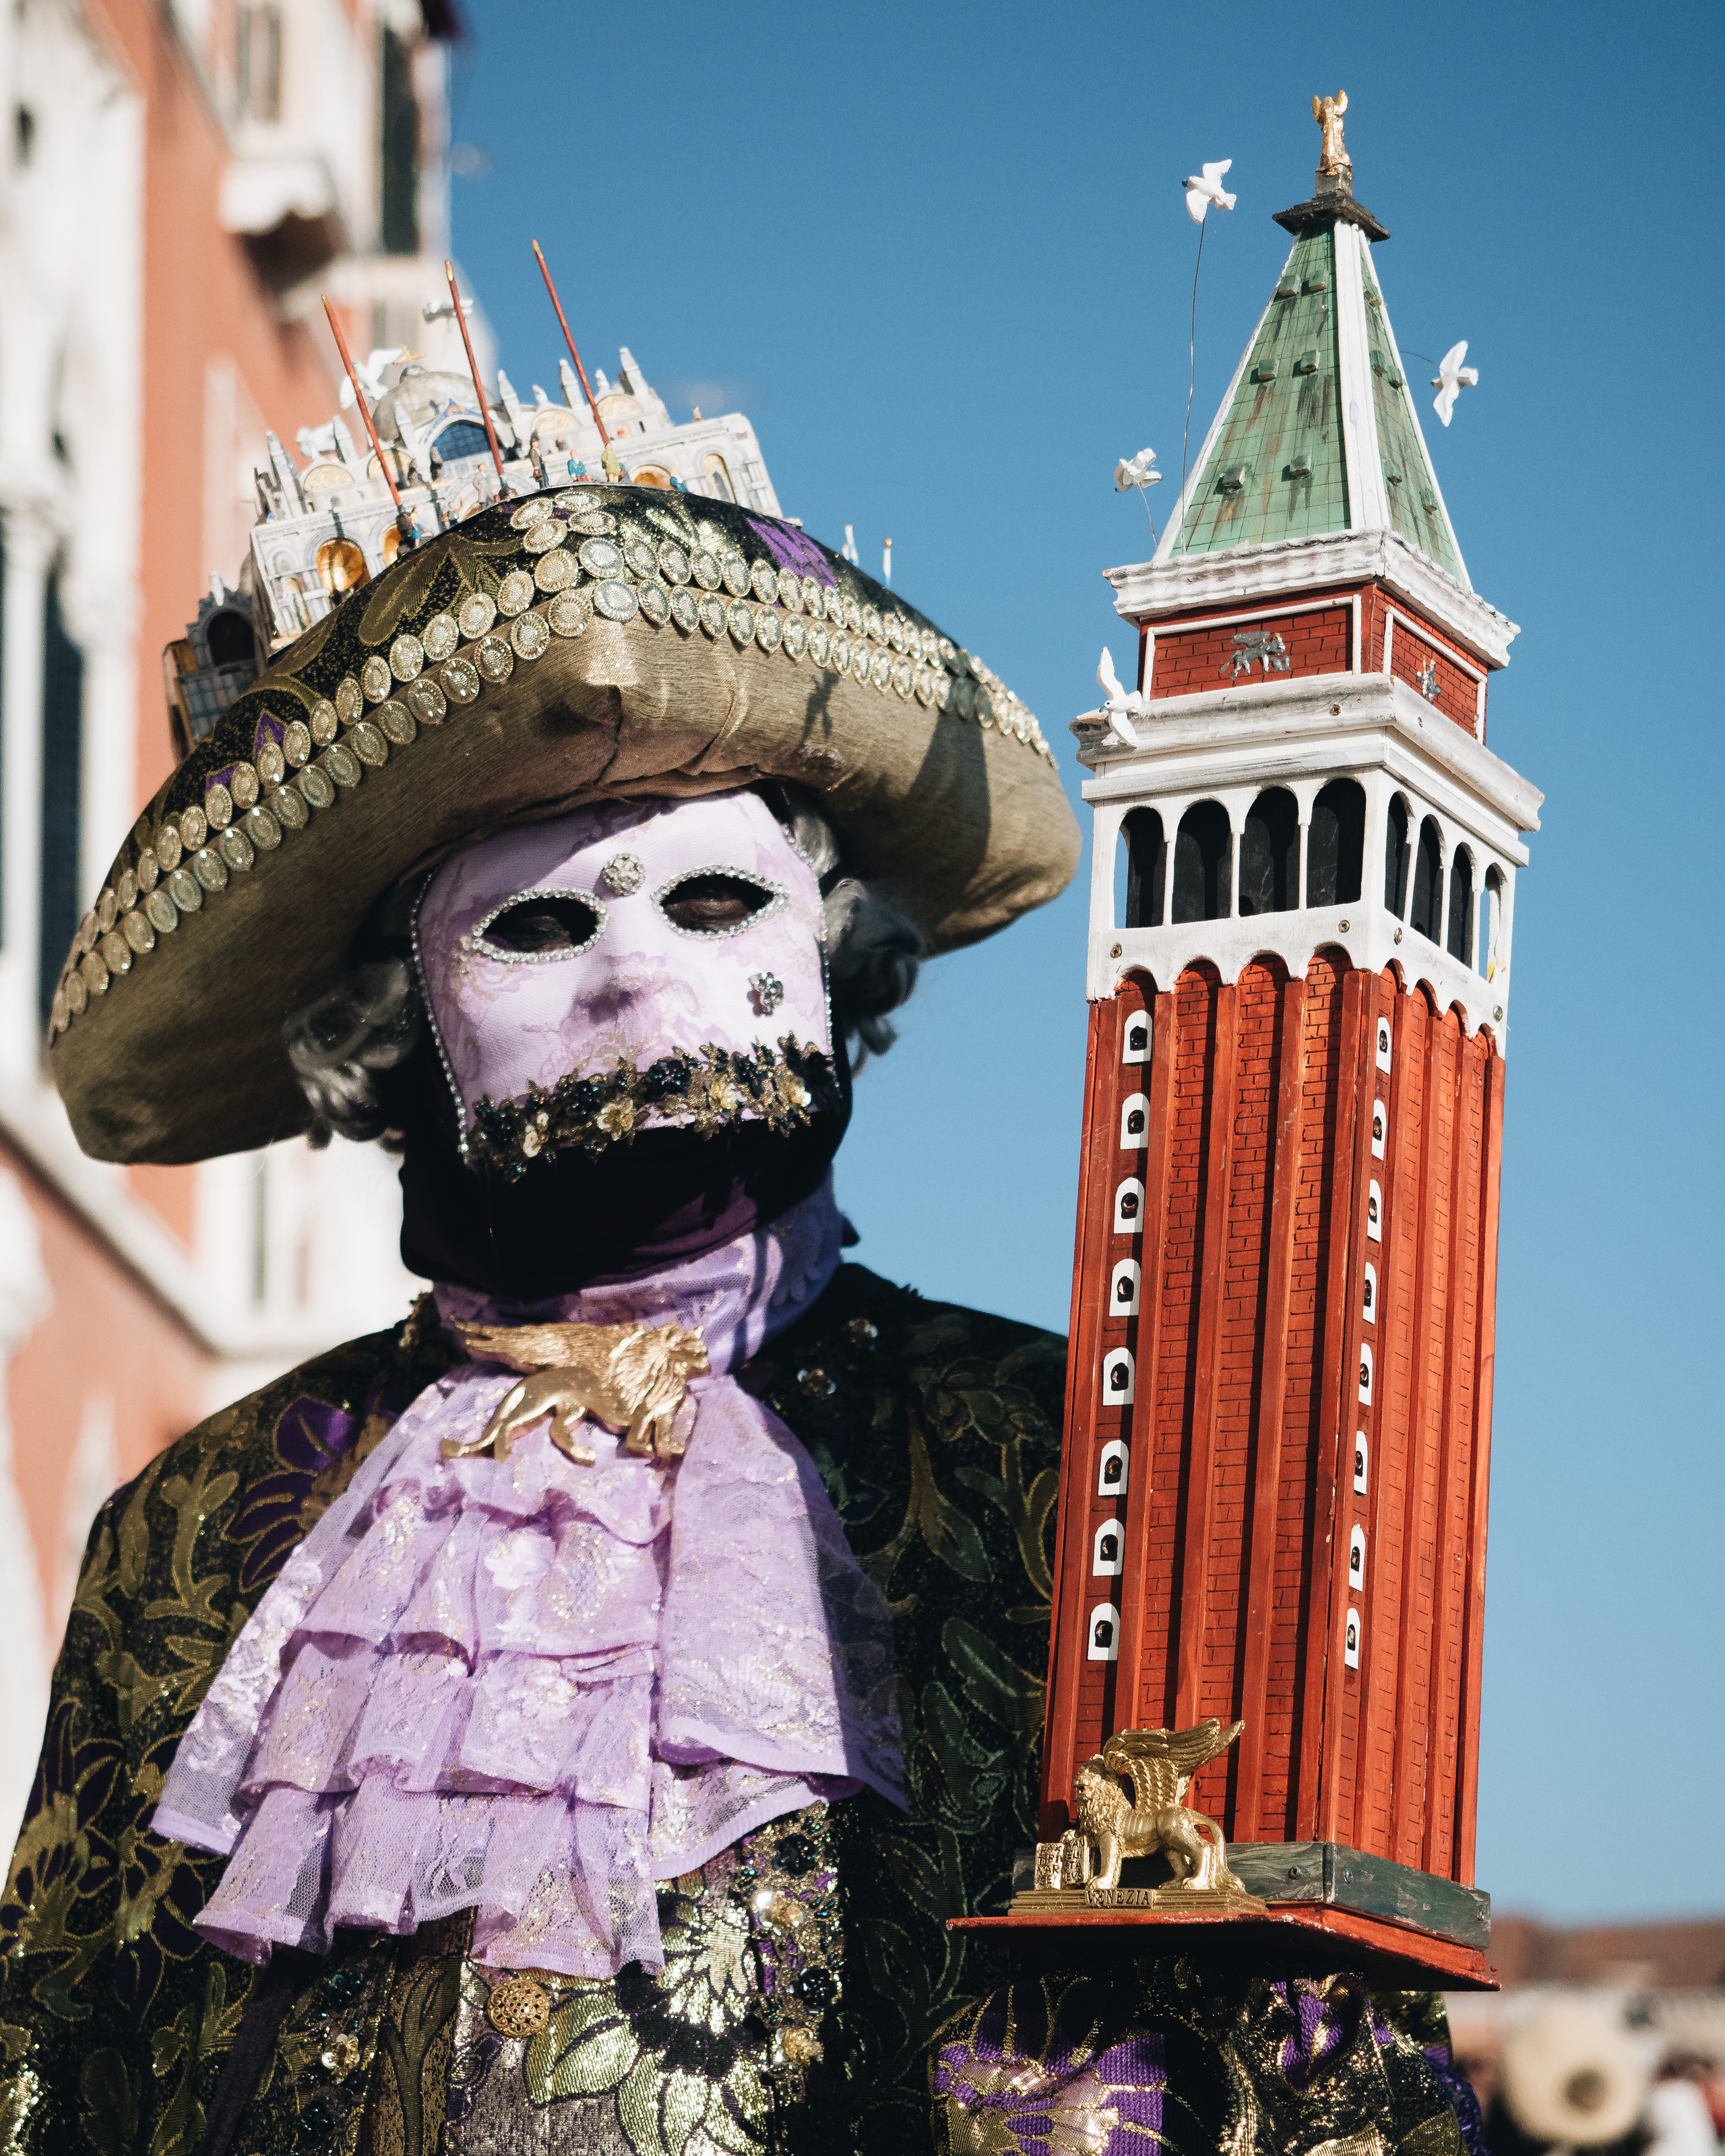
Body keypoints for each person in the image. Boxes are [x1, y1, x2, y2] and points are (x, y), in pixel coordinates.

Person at [1, 488, 1477, 2155]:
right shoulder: (201, 1528)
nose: (633, 976)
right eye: (538, 926)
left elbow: (1323, 2068)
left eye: (712, 903)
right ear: (389, 1037)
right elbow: (54, 2064)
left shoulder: (1086, 1474)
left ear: (838, 958)